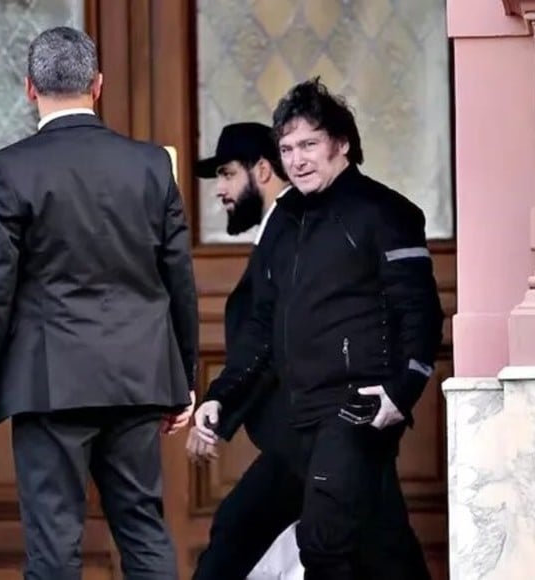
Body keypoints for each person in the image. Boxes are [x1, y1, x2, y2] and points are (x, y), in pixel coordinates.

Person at [0, 26, 197, 580]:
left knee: (54, 543)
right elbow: (178, 276)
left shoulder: (8, 169)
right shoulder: (151, 164)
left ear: (29, 88)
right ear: (98, 84)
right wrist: (184, 375)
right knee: (143, 531)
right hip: (138, 375)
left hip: (49, 380)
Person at [189, 77, 443, 579]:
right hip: (296, 419)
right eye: (287, 149)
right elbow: (261, 327)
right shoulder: (284, 221)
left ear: (341, 144)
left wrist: (401, 394)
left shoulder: (384, 212)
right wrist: (221, 396)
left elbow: (421, 312)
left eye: (309, 145)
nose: (298, 159)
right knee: (243, 527)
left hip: (353, 412)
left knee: (326, 545)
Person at [187, 122, 305, 580]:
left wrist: (220, 402)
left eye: (227, 173)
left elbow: (269, 336)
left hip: (302, 435)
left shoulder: (291, 228)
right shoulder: (281, 227)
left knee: (233, 536)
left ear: (262, 169)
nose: (219, 190)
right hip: (301, 438)